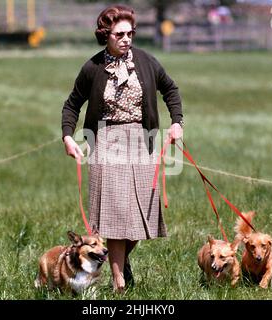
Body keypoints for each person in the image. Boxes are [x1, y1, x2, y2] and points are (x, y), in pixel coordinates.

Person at [61, 5, 183, 293]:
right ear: (106, 35)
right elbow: (72, 105)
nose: (126, 38)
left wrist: (177, 122)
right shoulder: (92, 68)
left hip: (143, 140)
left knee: (141, 217)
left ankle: (120, 261)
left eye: (130, 33)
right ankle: (119, 284)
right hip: (107, 140)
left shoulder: (146, 61)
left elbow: (171, 90)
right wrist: (68, 137)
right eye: (120, 34)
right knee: (116, 216)